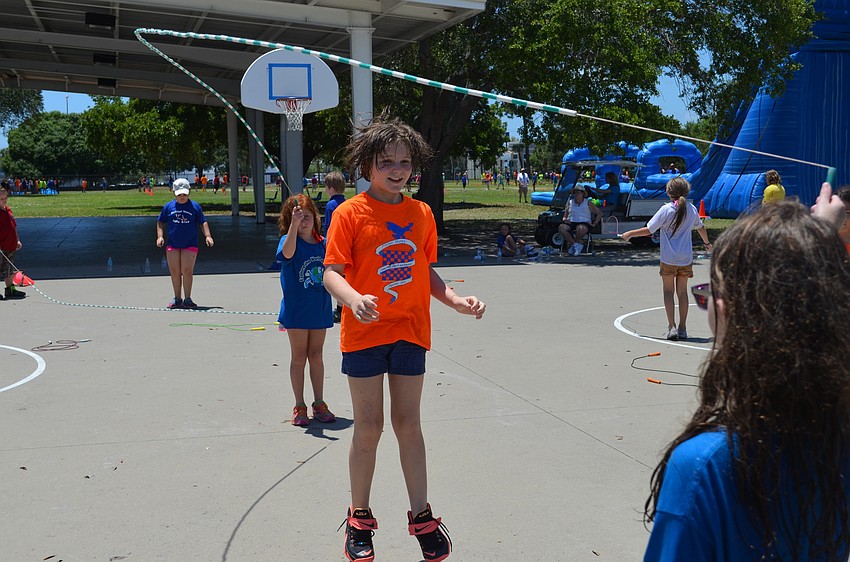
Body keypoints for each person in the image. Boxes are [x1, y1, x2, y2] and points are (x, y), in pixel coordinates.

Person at [643, 200, 850, 561]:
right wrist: (816, 247)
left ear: (725, 311)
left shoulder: (704, 466)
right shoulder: (835, 439)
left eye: (707, 295)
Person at [323, 115, 485, 562]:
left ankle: (421, 516)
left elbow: (425, 271)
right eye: (386, 161)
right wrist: (353, 299)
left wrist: (453, 299)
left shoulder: (421, 213)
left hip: (411, 331)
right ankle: (359, 517)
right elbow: (331, 273)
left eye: (404, 161)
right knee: (369, 428)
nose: (397, 169)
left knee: (408, 426)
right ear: (366, 164)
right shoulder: (349, 213)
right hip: (365, 333)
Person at [622, 177, 710, 340]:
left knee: (668, 291)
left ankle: (672, 327)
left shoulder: (666, 210)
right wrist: (707, 243)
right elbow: (701, 227)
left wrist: (630, 234)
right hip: (685, 258)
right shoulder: (691, 209)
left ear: (669, 192)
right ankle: (683, 327)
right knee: (682, 292)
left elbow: (649, 230)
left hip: (669, 258)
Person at [276, 193, 336, 427]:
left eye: (307, 216)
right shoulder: (287, 241)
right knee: (299, 357)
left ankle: (319, 402)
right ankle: (299, 405)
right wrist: (293, 227)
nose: (304, 221)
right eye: (298, 218)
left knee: (317, 356)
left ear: (315, 217)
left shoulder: (323, 244)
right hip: (296, 311)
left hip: (319, 309)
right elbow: (288, 254)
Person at [156, 178, 214, 309]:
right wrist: (160, 236)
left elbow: (202, 222)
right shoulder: (168, 207)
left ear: (189, 193)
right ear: (174, 193)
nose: (182, 197)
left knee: (187, 270)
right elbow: (160, 222)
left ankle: (188, 298)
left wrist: (208, 236)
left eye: (185, 195)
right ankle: (177, 298)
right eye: (179, 195)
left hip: (190, 243)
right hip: (173, 243)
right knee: (175, 271)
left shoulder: (195, 207)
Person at [322, 170, 347, 323]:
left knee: (335, 277)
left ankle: (339, 310)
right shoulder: (347, 203)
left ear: (331, 188)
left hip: (334, 246)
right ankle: (344, 307)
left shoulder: (331, 205)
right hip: (346, 246)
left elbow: (328, 226)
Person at [558, 184, 602, 256]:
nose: (576, 194)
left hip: (584, 222)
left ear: (583, 194)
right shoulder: (570, 202)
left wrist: (594, 223)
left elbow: (599, 213)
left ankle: (574, 245)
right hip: (571, 221)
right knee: (561, 228)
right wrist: (565, 219)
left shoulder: (587, 202)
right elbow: (565, 216)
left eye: (578, 192)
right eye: (575, 192)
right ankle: (575, 245)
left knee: (581, 228)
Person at [0, 187, 25, 300]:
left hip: (10, 245)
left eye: (5, 198)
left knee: (9, 269)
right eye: (1, 199)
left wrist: (17, 240)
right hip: (2, 246)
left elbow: (13, 226)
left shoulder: (8, 210)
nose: (4, 200)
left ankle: (10, 289)